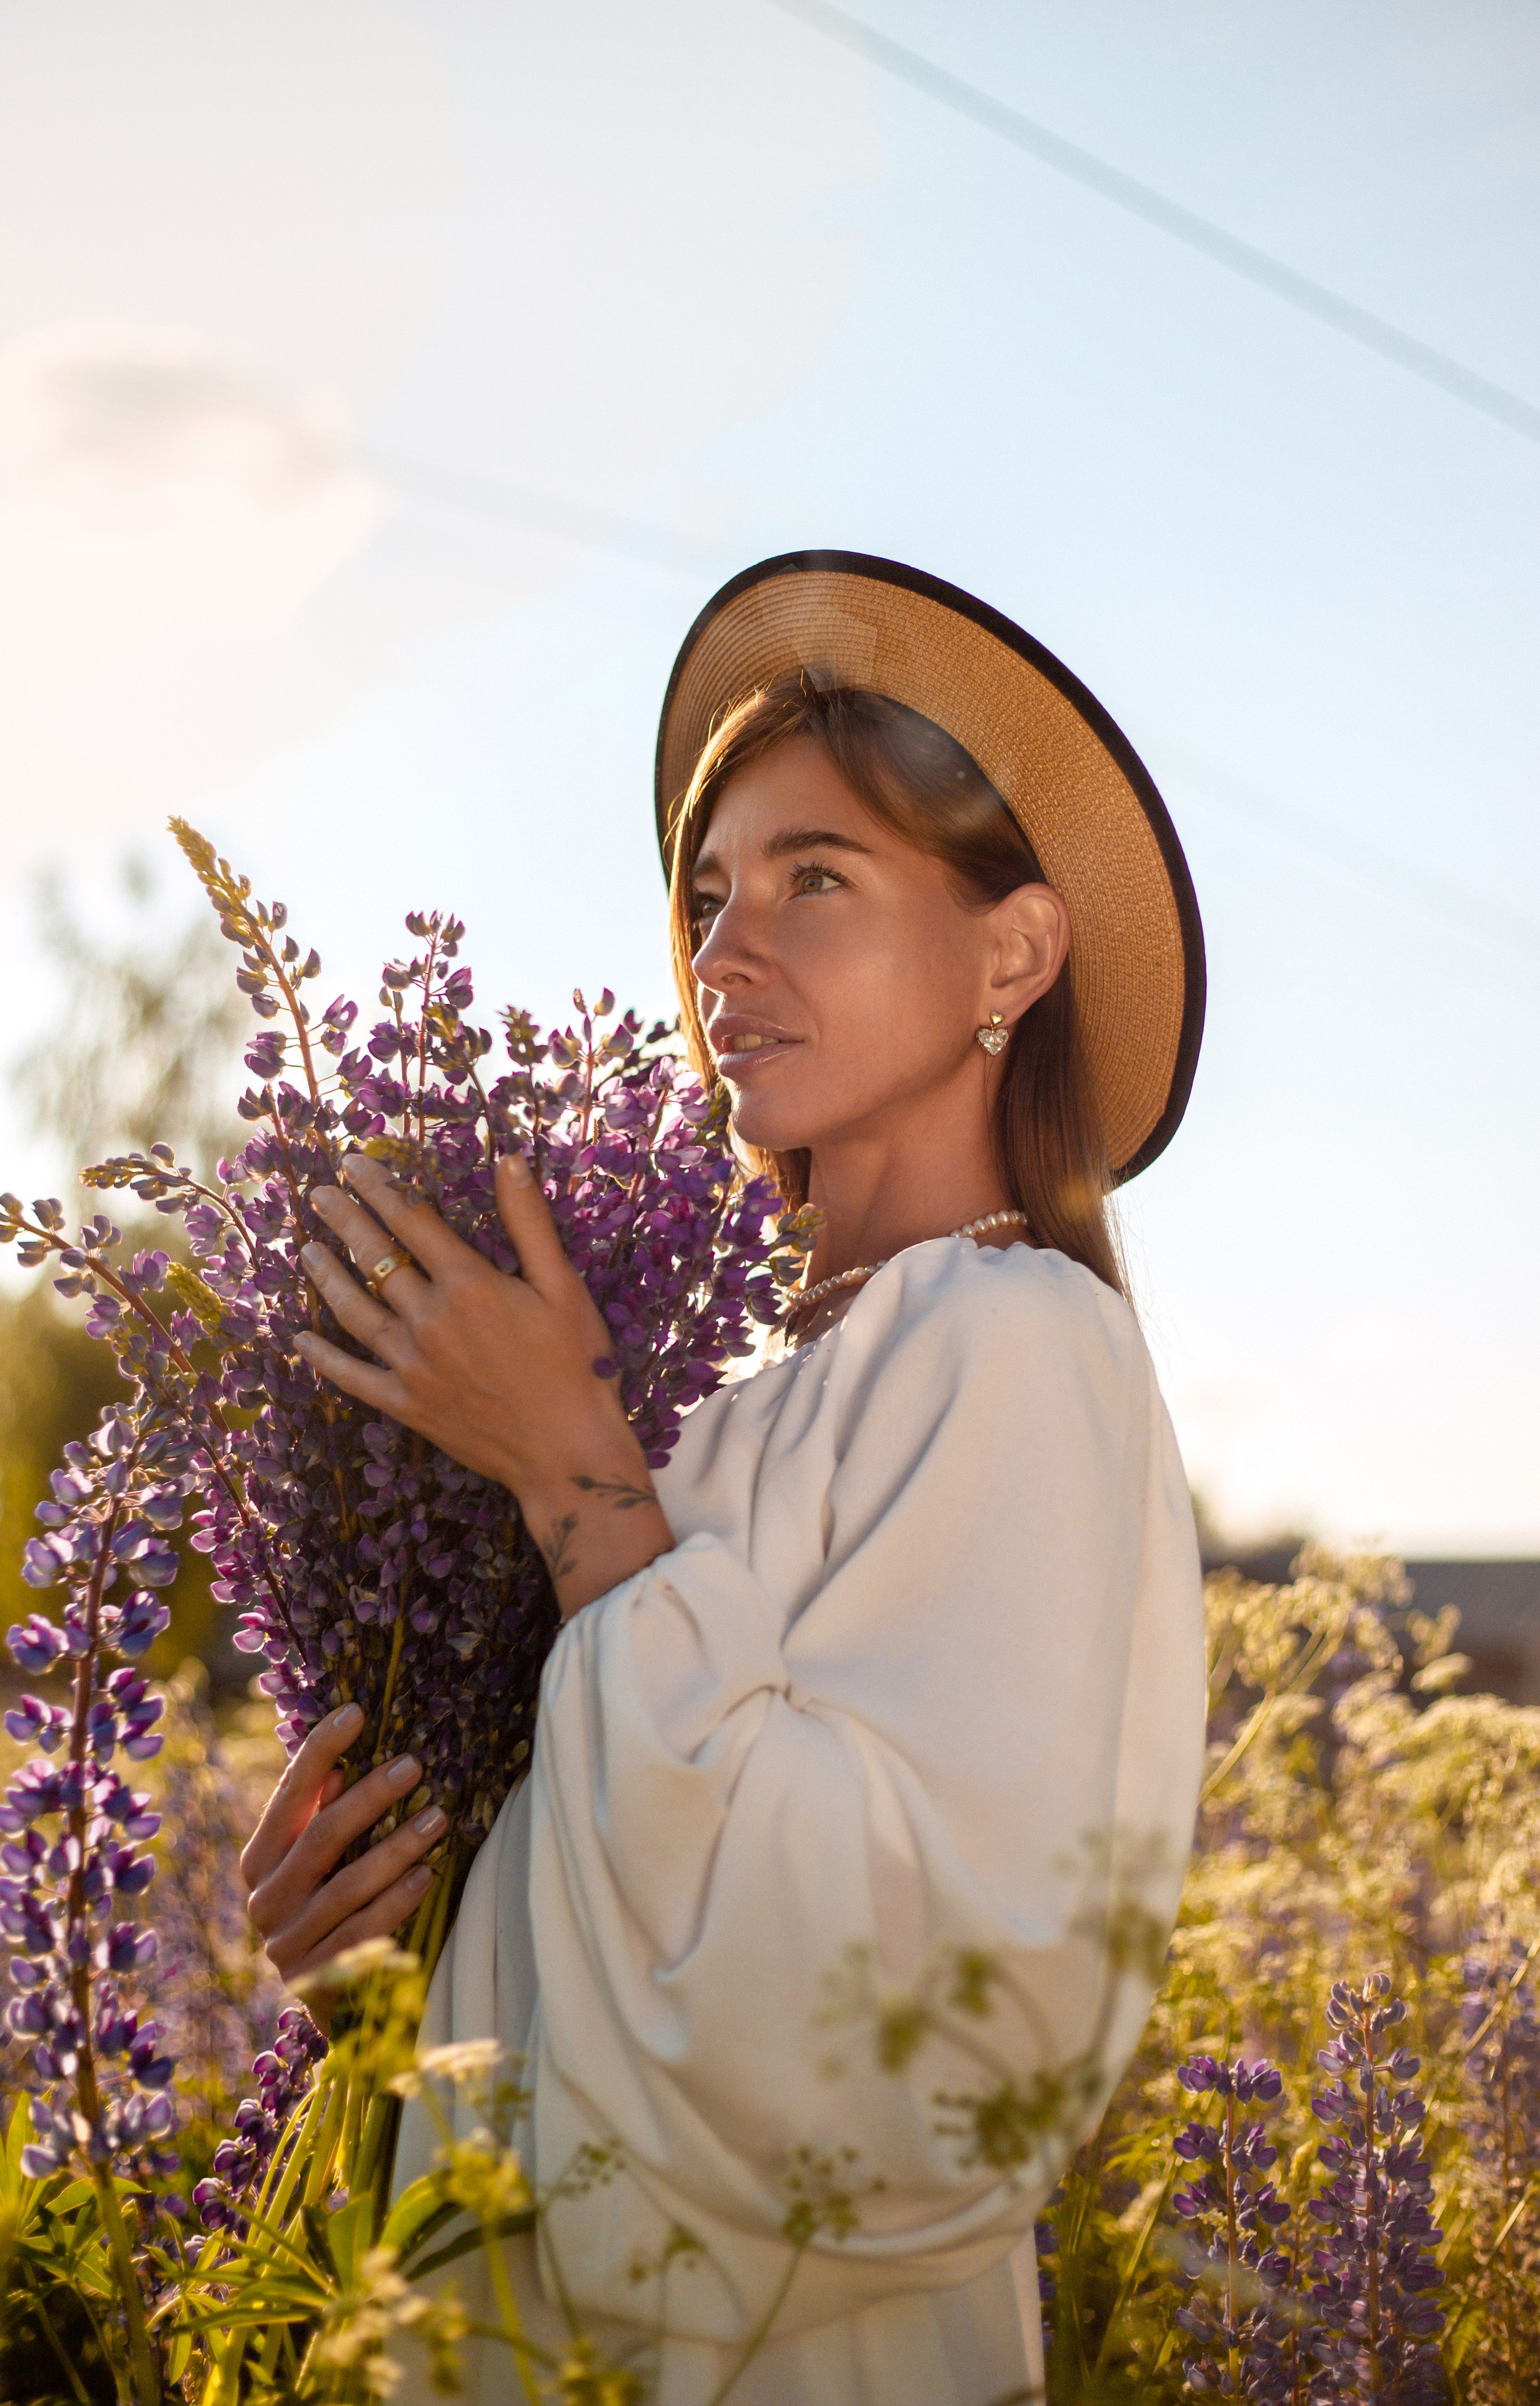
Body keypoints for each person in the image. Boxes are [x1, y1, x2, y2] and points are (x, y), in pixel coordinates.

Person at [238, 553, 1208, 2403]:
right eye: (708, 897)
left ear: (1012, 955)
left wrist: (573, 1483)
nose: (721, 954)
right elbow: (600, 1898)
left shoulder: (1018, 1343)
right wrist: (381, 1946)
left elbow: (915, 2001)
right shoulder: (713, 1395)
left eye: (814, 880)